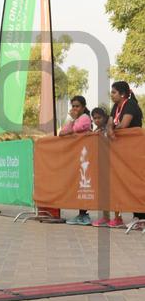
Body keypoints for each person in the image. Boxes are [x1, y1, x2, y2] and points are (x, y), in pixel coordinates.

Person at [107, 80, 145, 228]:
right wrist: (110, 128)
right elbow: (110, 123)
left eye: (114, 92)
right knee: (128, 182)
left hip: (135, 149)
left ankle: (141, 217)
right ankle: (137, 217)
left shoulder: (130, 104)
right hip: (123, 151)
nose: (111, 95)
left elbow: (124, 125)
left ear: (122, 94)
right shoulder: (115, 106)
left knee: (137, 181)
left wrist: (112, 129)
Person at [59, 96, 92, 226]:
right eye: (73, 106)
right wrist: (72, 122)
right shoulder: (74, 120)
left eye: (77, 106)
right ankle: (81, 214)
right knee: (78, 185)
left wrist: (73, 122)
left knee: (85, 185)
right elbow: (62, 132)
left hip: (86, 157)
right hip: (77, 156)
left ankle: (84, 215)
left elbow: (76, 129)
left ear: (83, 107)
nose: (74, 108)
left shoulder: (85, 118)